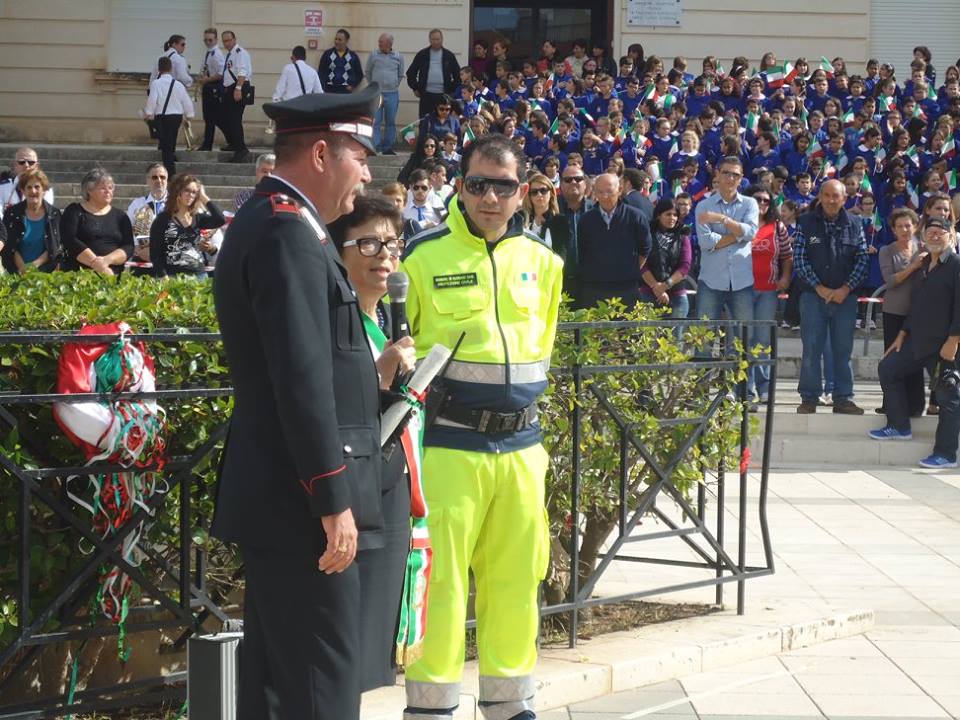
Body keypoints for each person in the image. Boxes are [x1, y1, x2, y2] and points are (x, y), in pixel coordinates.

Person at [211, 85, 381, 720]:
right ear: (319, 153)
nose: (366, 173)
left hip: (287, 497)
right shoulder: (286, 232)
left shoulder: (284, 222)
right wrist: (331, 497)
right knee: (320, 683)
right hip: (300, 501)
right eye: (358, 156)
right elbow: (300, 377)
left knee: (277, 682)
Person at [400, 133, 563, 720]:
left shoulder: (545, 263)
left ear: (522, 193)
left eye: (502, 185)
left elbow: (540, 350)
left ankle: (511, 705)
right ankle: (431, 709)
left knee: (518, 583)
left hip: (522, 447)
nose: (489, 196)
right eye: (477, 185)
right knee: (440, 588)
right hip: (448, 443)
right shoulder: (421, 256)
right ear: (460, 187)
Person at [327, 194, 418, 692]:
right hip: (349, 497)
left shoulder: (384, 319)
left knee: (369, 654)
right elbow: (328, 410)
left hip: (389, 489)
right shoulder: (331, 321)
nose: (385, 255)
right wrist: (379, 377)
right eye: (369, 243)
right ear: (338, 253)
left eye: (392, 244)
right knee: (344, 649)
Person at [871, 218, 960, 468]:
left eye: (939, 232)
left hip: (943, 346)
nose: (933, 236)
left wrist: (953, 340)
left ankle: (946, 454)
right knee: (888, 368)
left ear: (950, 235)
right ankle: (899, 426)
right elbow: (916, 305)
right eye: (929, 233)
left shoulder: (955, 264)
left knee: (948, 398)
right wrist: (903, 333)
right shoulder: (923, 265)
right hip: (916, 341)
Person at [792, 179, 868, 415]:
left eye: (836, 196)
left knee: (843, 350)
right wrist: (819, 288)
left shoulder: (855, 224)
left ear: (845, 198)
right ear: (821, 196)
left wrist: (845, 288)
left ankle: (843, 398)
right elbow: (800, 260)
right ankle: (809, 398)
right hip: (813, 298)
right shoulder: (805, 222)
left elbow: (863, 260)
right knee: (812, 349)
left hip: (845, 299)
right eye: (827, 195)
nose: (831, 200)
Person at [694, 157, 759, 327]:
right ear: (717, 174)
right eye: (726, 173)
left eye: (735, 175)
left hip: (741, 282)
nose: (731, 178)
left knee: (745, 338)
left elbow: (751, 233)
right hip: (711, 281)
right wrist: (739, 235)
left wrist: (722, 220)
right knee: (703, 339)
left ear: (742, 177)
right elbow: (707, 243)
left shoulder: (750, 204)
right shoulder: (703, 206)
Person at [744, 186, 793, 404]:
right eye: (758, 199)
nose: (762, 204)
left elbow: (787, 256)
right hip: (742, 291)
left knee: (762, 341)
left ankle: (764, 387)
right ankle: (746, 388)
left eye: (766, 201)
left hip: (767, 291)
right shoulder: (741, 223)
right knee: (745, 339)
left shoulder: (777, 226)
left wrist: (785, 278)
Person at [577, 172, 653, 308]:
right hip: (594, 290)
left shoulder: (635, 217)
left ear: (619, 190)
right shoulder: (586, 220)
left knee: (625, 329)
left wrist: (629, 269)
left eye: (609, 191)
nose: (605, 196)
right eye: (600, 192)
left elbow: (645, 249)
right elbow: (582, 251)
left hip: (626, 289)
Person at [877, 207, 926, 417]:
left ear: (915, 227)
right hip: (894, 312)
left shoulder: (924, 248)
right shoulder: (887, 251)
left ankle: (915, 406)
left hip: (919, 314)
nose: (905, 229)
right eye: (900, 226)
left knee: (916, 358)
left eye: (908, 225)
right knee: (893, 358)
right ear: (893, 229)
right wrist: (913, 266)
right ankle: (891, 404)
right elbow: (890, 281)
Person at [148, 174, 225, 278]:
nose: (191, 195)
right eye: (187, 190)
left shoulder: (198, 218)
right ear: (177, 191)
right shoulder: (163, 219)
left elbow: (220, 219)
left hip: (199, 276)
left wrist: (203, 196)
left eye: (194, 192)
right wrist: (163, 276)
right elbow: (155, 253)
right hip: (172, 276)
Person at [60, 168, 133, 276]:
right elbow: (70, 240)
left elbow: (128, 246)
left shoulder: (120, 216)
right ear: (89, 190)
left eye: (110, 188)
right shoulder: (74, 211)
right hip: (80, 277)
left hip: (113, 277)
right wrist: (99, 266)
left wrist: (107, 260)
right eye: (103, 188)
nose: (108, 192)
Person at [0, 167, 62, 273]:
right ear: (23, 190)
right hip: (16, 271)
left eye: (37, 187)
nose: (33, 191)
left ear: (44, 190)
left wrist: (33, 266)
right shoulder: (11, 213)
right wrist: (22, 268)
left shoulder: (55, 214)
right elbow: (9, 244)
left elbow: (55, 245)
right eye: (28, 187)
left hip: (46, 272)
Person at [639, 197, 692, 319]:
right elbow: (642, 264)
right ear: (658, 215)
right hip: (649, 293)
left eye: (675, 215)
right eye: (668, 214)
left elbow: (685, 267)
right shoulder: (647, 236)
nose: (672, 218)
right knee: (648, 336)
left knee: (675, 338)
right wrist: (656, 287)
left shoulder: (683, 237)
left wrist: (665, 286)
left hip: (677, 296)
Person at [144, 56, 195, 177]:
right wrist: (189, 114)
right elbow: (186, 101)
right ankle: (170, 167)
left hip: (163, 117)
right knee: (171, 142)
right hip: (176, 117)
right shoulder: (178, 85)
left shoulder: (156, 83)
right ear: (171, 68)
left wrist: (149, 112)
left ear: (159, 69)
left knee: (166, 145)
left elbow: (152, 100)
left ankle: (170, 172)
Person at [556, 163, 593, 301]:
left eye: (578, 179)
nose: (573, 182)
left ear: (585, 184)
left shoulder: (596, 210)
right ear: (561, 184)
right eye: (568, 180)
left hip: (591, 282)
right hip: (560, 281)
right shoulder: (553, 210)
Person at [406, 29, 459, 120]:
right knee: (425, 122)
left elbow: (458, 75)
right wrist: (415, 87)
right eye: (433, 39)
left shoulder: (449, 55)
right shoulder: (422, 54)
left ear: (442, 39)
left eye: (438, 39)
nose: (436, 42)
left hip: (444, 96)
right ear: (429, 40)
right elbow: (411, 73)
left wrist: (452, 90)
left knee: (443, 122)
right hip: (426, 95)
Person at [366, 33, 405, 154]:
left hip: (392, 94)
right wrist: (374, 86)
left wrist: (393, 84)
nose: (379, 44)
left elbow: (400, 74)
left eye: (381, 42)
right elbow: (368, 72)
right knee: (375, 121)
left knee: (390, 121)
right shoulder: (373, 55)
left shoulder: (398, 56)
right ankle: (376, 145)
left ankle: (388, 147)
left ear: (389, 44)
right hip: (377, 93)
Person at [220, 30, 253, 163]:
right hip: (231, 88)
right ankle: (234, 144)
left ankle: (241, 150)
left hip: (238, 86)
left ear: (234, 39)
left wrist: (238, 88)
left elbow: (242, 71)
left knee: (235, 120)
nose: (226, 43)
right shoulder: (230, 54)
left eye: (228, 40)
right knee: (228, 119)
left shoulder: (240, 53)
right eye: (224, 41)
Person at [126, 162, 169, 261]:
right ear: (147, 180)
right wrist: (137, 248)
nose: (159, 180)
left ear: (167, 180)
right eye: (154, 177)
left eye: (162, 177)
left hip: (169, 257)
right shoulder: (137, 204)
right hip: (142, 256)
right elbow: (127, 229)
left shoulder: (177, 204)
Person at [0, 147, 54, 217]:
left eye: (31, 162)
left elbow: (46, 212)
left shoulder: (45, 189)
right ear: (15, 165)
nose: (26, 165)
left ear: (37, 166)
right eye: (21, 162)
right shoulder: (3, 187)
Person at [196, 27, 226, 152]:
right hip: (208, 86)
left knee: (212, 118)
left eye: (210, 40)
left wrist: (206, 80)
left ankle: (208, 144)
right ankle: (207, 143)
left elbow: (221, 73)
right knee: (209, 118)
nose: (208, 42)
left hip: (213, 87)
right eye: (206, 40)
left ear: (215, 40)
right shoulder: (209, 53)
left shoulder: (217, 54)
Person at [522, 172, 568, 251]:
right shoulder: (522, 219)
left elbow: (563, 255)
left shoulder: (560, 221)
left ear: (551, 193)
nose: (539, 195)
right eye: (534, 192)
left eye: (543, 190)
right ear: (529, 196)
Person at [319, 29, 363, 94]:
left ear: (346, 41)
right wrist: (323, 87)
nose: (337, 42)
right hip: (329, 90)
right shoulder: (327, 54)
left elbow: (359, 74)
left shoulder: (353, 56)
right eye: (336, 39)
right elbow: (321, 72)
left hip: (345, 92)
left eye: (340, 40)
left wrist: (352, 86)